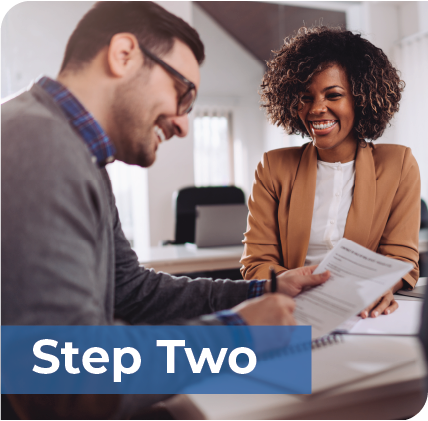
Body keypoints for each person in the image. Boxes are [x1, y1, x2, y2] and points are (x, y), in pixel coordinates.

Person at [0, 2, 329, 419]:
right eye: (183, 93)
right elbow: (66, 376)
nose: (184, 125)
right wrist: (239, 335)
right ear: (124, 55)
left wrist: (263, 291)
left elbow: (132, 292)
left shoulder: (77, 154)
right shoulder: (37, 145)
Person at [241, 26, 420, 320]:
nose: (316, 109)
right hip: (294, 311)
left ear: (361, 98)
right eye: (306, 97)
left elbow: (402, 258)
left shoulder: (398, 164)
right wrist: (297, 289)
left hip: (364, 316)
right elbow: (257, 262)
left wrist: (380, 287)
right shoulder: (274, 167)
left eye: (333, 95)